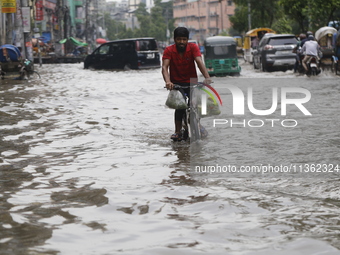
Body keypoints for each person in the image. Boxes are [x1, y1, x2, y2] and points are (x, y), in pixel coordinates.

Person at [162, 27, 212, 141]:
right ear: (174, 39)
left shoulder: (193, 47)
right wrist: (168, 82)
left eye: (184, 39)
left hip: (192, 81)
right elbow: (165, 67)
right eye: (179, 39)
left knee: (195, 104)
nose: (182, 42)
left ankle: (198, 125)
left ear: (187, 40)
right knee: (180, 106)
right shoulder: (169, 50)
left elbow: (199, 62)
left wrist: (207, 77)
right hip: (176, 83)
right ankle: (177, 131)